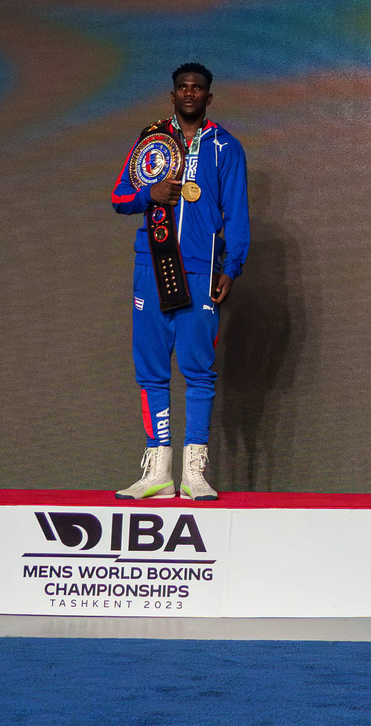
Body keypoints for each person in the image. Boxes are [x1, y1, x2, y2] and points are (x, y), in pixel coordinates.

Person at [111, 63, 251, 502]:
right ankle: (158, 470)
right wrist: (146, 196)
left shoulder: (225, 147)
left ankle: (195, 473)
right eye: (182, 88)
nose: (189, 93)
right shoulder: (151, 140)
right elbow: (118, 197)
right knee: (151, 371)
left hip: (199, 268)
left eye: (198, 88)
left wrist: (231, 267)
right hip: (150, 267)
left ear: (209, 97)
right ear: (172, 95)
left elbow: (238, 216)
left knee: (197, 371)